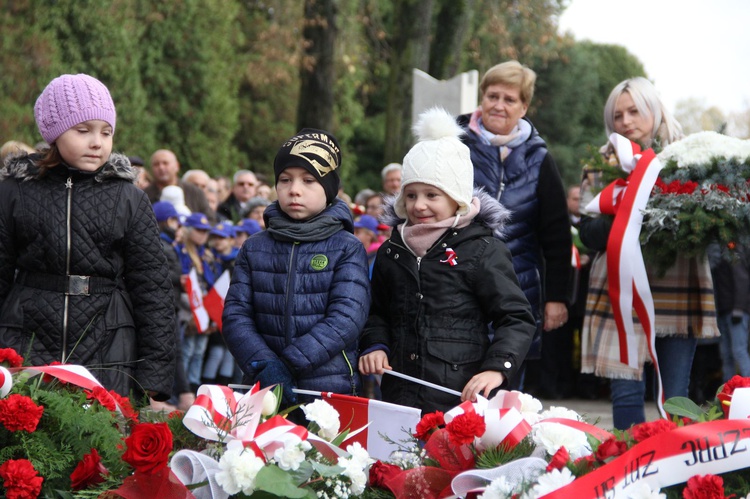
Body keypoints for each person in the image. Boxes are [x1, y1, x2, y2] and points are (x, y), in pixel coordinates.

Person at [0, 73, 175, 400]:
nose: (97, 142)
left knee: (99, 446)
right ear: (54, 133)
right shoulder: (14, 192)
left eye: (106, 132)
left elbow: (152, 287)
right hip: (25, 340)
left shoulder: (129, 198)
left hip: (107, 347)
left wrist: (155, 371)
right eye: (83, 131)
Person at [359, 108, 536, 414]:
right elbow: (377, 312)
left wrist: (497, 368)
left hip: (458, 398)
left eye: (432, 195)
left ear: (457, 198)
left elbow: (515, 317)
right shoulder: (392, 250)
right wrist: (375, 345)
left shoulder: (482, 249)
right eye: (411, 195)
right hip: (400, 394)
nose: (419, 205)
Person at [579, 77, 718, 429]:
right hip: (619, 290)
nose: (625, 122)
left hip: (677, 286)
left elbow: (707, 225)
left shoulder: (687, 159)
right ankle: (630, 472)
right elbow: (588, 231)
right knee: (625, 394)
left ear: (654, 111)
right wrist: (630, 211)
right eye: (618, 114)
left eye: (634, 111)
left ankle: (675, 474)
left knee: (675, 395)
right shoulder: (602, 163)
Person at [223, 128, 370, 409]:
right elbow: (235, 315)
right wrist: (265, 366)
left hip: (328, 391)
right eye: (285, 180)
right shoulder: (254, 247)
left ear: (328, 189)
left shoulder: (347, 247)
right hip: (263, 387)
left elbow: (346, 318)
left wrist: (287, 366)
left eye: (309, 180)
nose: (294, 190)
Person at [457, 61, 571, 389]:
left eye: (510, 99)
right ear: (482, 98)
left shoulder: (539, 158)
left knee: (503, 392)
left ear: (524, 107)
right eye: (493, 96)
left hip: (516, 289)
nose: (499, 105)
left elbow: (556, 233)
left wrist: (557, 297)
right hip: (456, 282)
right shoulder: (453, 143)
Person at [176, 213, 219, 392]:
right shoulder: (181, 251)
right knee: (187, 350)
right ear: (189, 230)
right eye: (199, 230)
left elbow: (213, 283)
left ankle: (194, 385)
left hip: (205, 308)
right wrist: (195, 310)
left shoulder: (206, 255)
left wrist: (212, 312)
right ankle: (182, 388)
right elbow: (182, 286)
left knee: (199, 351)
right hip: (188, 308)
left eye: (205, 231)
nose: (203, 235)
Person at [146, 149, 214, 220]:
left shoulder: (194, 192)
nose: (161, 167)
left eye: (165, 163)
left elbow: (210, 220)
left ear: (177, 166)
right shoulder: (145, 195)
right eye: (156, 164)